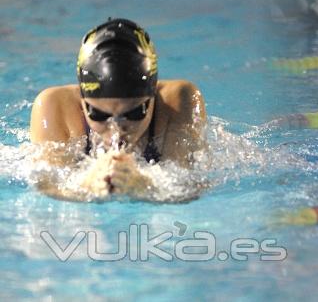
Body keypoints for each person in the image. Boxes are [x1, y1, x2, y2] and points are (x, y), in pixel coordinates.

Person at [29, 18, 207, 199]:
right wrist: (85, 185)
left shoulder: (179, 101)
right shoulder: (54, 105)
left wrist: (145, 185)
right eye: (98, 114)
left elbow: (189, 188)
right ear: (82, 97)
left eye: (134, 113)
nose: (116, 129)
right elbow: (46, 188)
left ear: (153, 94)